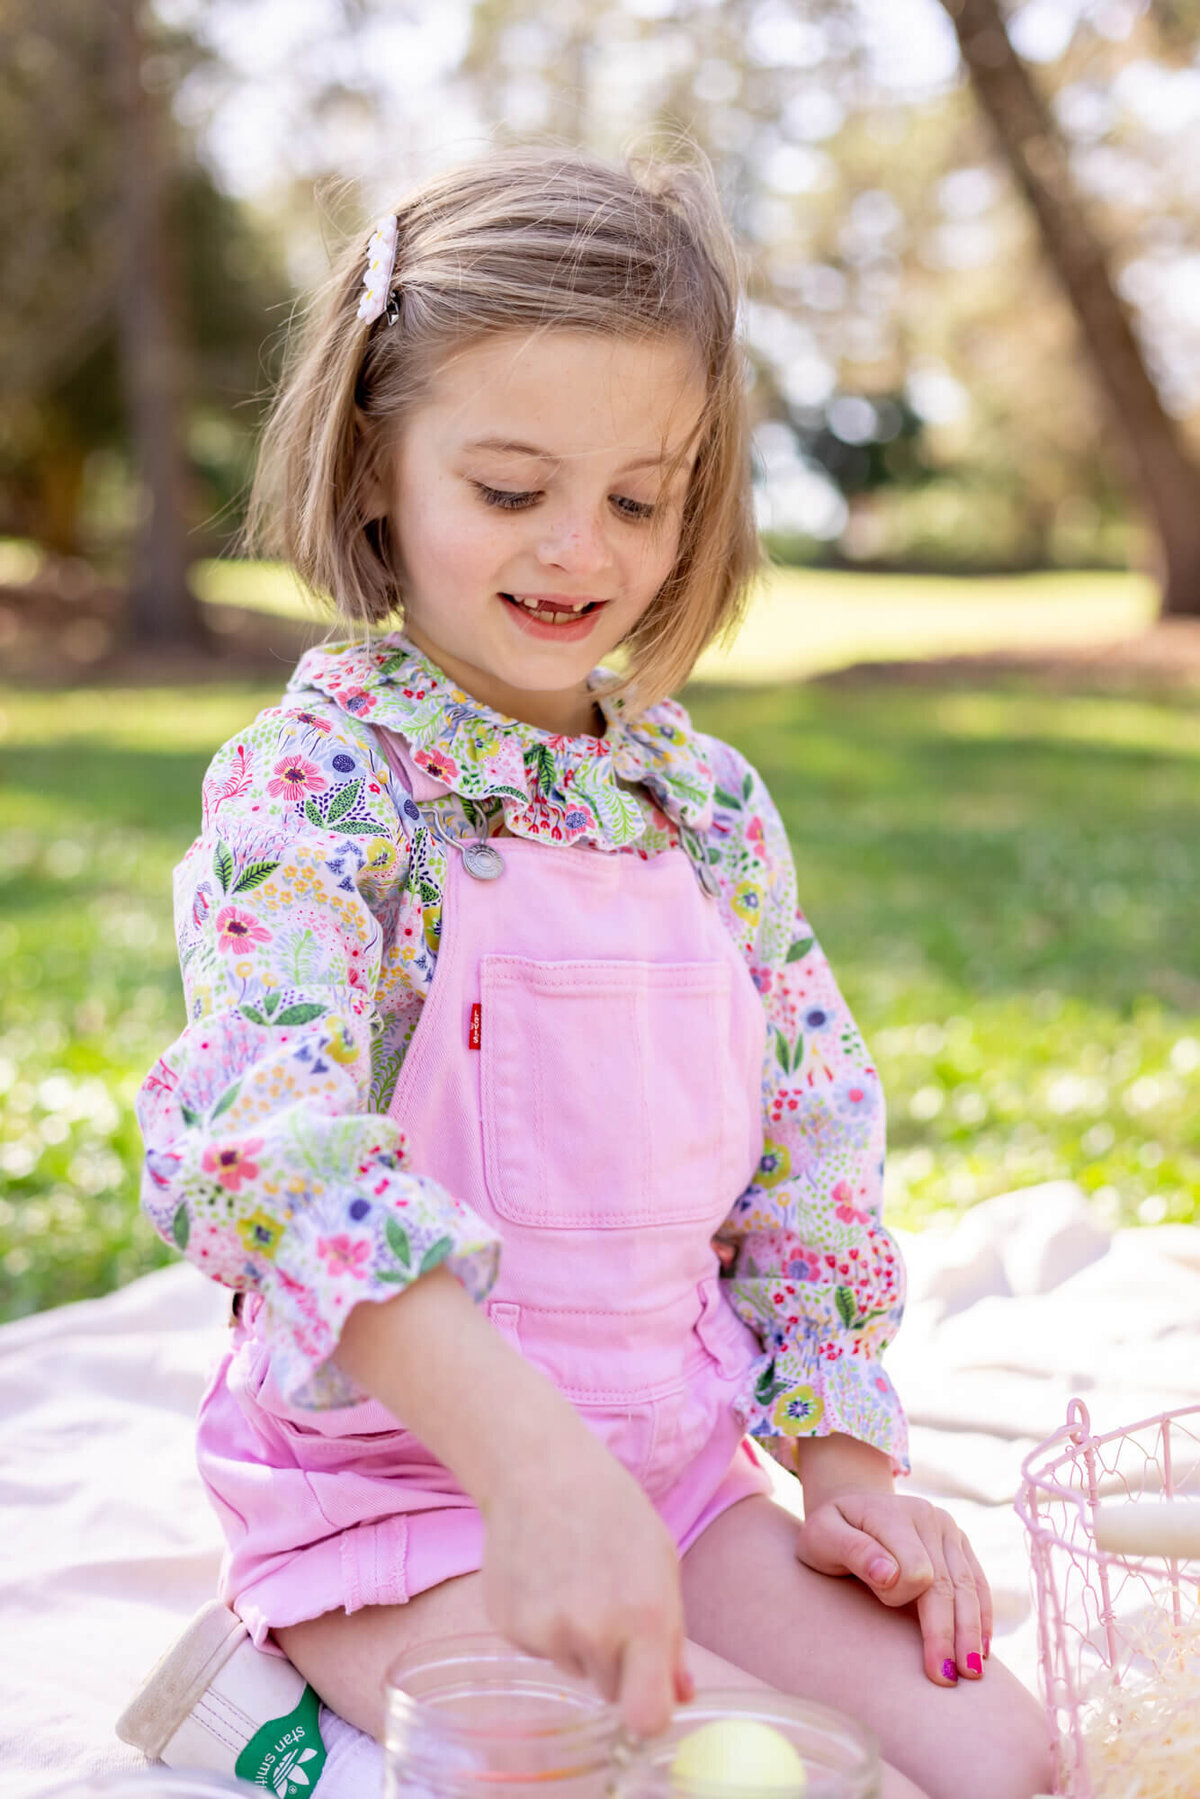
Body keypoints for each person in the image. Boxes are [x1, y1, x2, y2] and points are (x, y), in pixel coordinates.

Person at [123, 147, 1052, 1799]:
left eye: (640, 496)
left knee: (1001, 1758)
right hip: (403, 1499)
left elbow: (812, 1145)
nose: (580, 552)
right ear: (372, 475)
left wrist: (840, 1470)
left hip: (673, 1487)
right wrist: (528, 1468)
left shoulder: (705, 805)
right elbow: (259, 1133)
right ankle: (271, 1693)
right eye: (509, 488)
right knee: (593, 1767)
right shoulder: (324, 782)